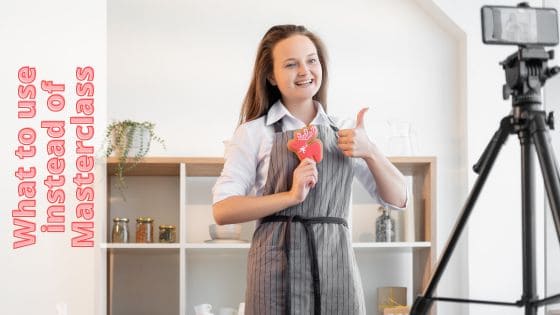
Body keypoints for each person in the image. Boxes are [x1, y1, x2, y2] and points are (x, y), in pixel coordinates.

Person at [212, 24, 407, 315]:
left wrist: (371, 152)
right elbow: (223, 210)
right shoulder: (253, 133)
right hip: (274, 268)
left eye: (311, 60)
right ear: (271, 76)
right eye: (291, 64)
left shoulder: (345, 131)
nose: (305, 71)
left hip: (335, 264)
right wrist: (290, 197)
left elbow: (399, 199)